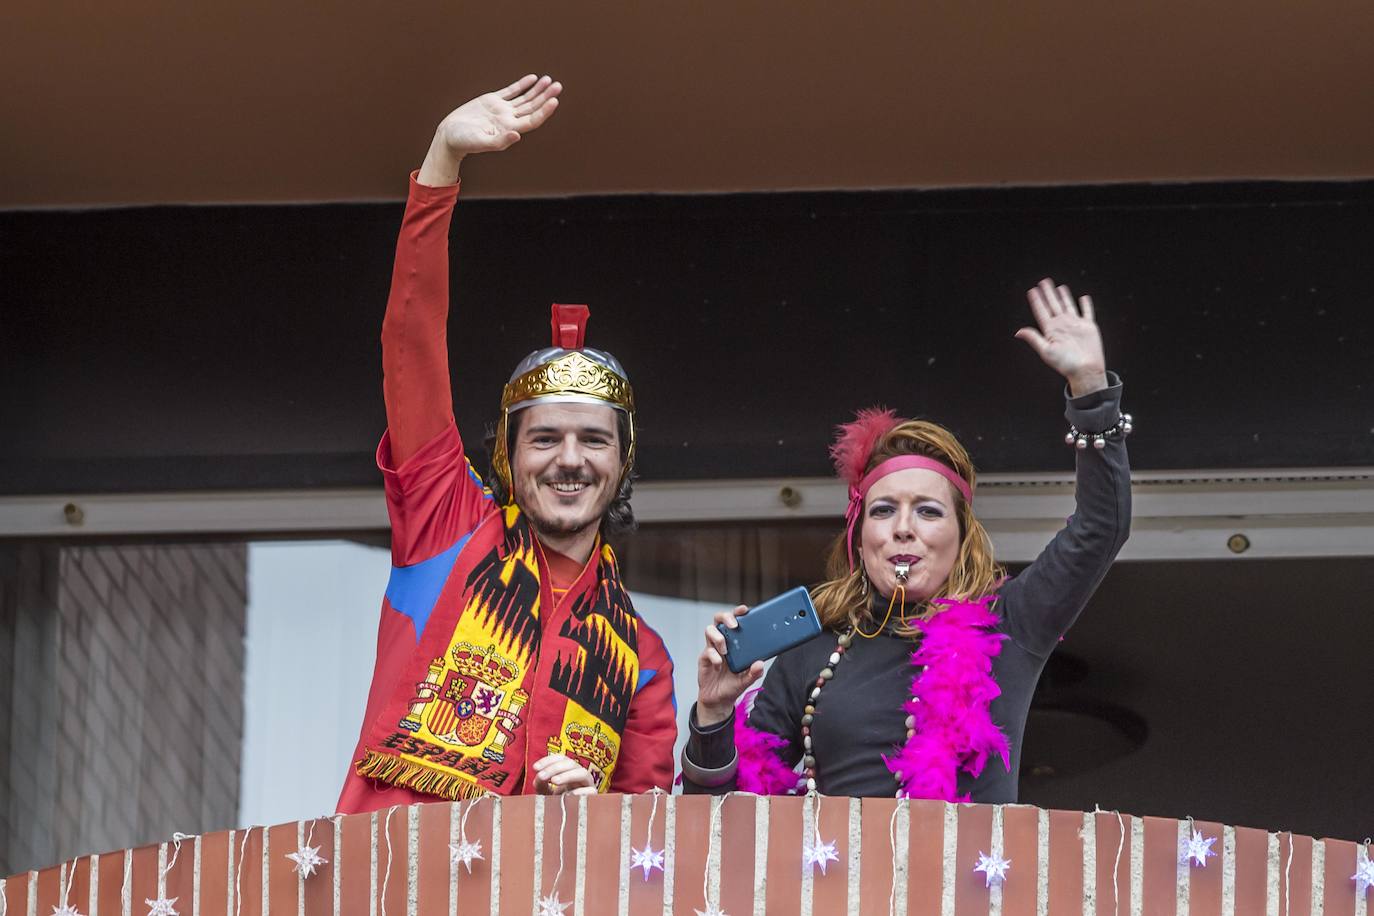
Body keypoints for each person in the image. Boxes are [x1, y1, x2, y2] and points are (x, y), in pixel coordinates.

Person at [337, 75, 677, 813]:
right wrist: (441, 165)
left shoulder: (643, 659)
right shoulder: (447, 526)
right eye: (545, 438)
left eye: (594, 440)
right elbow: (411, 343)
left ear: (622, 464)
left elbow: (648, 844)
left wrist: (594, 808)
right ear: (508, 457)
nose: (569, 459)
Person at [681, 279, 1131, 801]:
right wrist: (713, 715)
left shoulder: (1013, 623)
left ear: (961, 537)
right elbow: (718, 826)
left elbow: (1101, 527)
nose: (903, 526)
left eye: (929, 511)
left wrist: (1091, 388)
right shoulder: (810, 651)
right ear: (860, 533)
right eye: (884, 509)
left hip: (966, 883)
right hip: (834, 882)